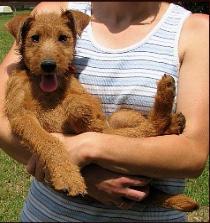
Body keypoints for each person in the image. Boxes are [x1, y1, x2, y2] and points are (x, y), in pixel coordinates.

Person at [0, 1, 208, 222]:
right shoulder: (49, 11)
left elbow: (192, 154)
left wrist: (90, 147)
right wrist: (86, 177)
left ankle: (156, 123)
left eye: (63, 39)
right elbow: (6, 119)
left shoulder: (196, 31)